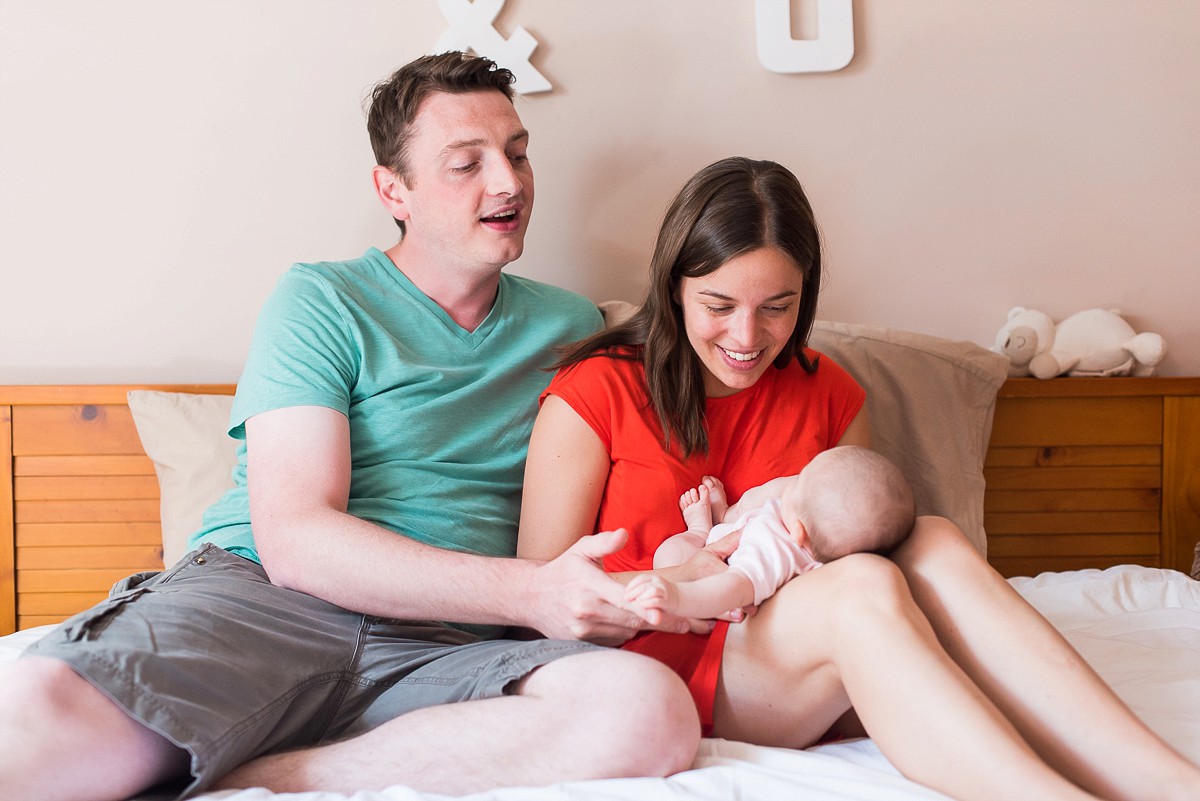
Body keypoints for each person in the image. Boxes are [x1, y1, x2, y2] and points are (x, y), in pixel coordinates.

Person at [0, 52, 703, 801]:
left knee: (646, 711)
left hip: (444, 648)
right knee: (37, 715)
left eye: (519, 153)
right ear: (392, 189)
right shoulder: (322, 301)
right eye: (467, 163)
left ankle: (268, 775)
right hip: (264, 609)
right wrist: (529, 592)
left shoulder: (571, 325)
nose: (510, 182)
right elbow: (297, 541)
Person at [518, 156, 1200, 801]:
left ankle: (1174, 785)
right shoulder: (597, 389)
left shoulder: (829, 391)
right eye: (719, 304)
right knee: (865, 582)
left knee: (927, 537)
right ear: (674, 288)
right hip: (660, 663)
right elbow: (541, 600)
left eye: (777, 306)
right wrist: (674, 585)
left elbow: (860, 546)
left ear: (805, 293)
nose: (748, 336)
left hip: (794, 644)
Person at [627, 446, 915, 624]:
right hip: (743, 533)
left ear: (798, 530)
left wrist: (677, 596)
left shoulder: (774, 548)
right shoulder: (836, 551)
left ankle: (700, 529)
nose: (792, 482)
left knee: (670, 555)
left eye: (799, 484)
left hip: (715, 563)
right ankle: (726, 514)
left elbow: (732, 588)